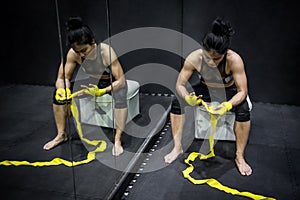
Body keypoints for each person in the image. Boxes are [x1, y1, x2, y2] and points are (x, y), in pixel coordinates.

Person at [164, 17, 252, 176]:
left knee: (244, 109)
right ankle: (177, 147)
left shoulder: (234, 60)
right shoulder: (194, 57)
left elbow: (242, 91)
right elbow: (179, 85)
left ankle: (239, 156)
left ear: (225, 53)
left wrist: (227, 105)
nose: (211, 62)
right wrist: (188, 97)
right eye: (207, 57)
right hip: (205, 88)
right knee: (177, 101)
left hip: (228, 91)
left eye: (216, 59)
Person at [43, 16, 128, 156]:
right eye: (78, 52)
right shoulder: (73, 54)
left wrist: (101, 91)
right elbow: (62, 78)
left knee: (120, 95)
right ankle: (61, 135)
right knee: (58, 96)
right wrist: (61, 89)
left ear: (93, 42)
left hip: (110, 84)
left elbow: (121, 80)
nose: (81, 54)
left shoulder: (106, 52)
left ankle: (118, 140)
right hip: (92, 81)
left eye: (84, 50)